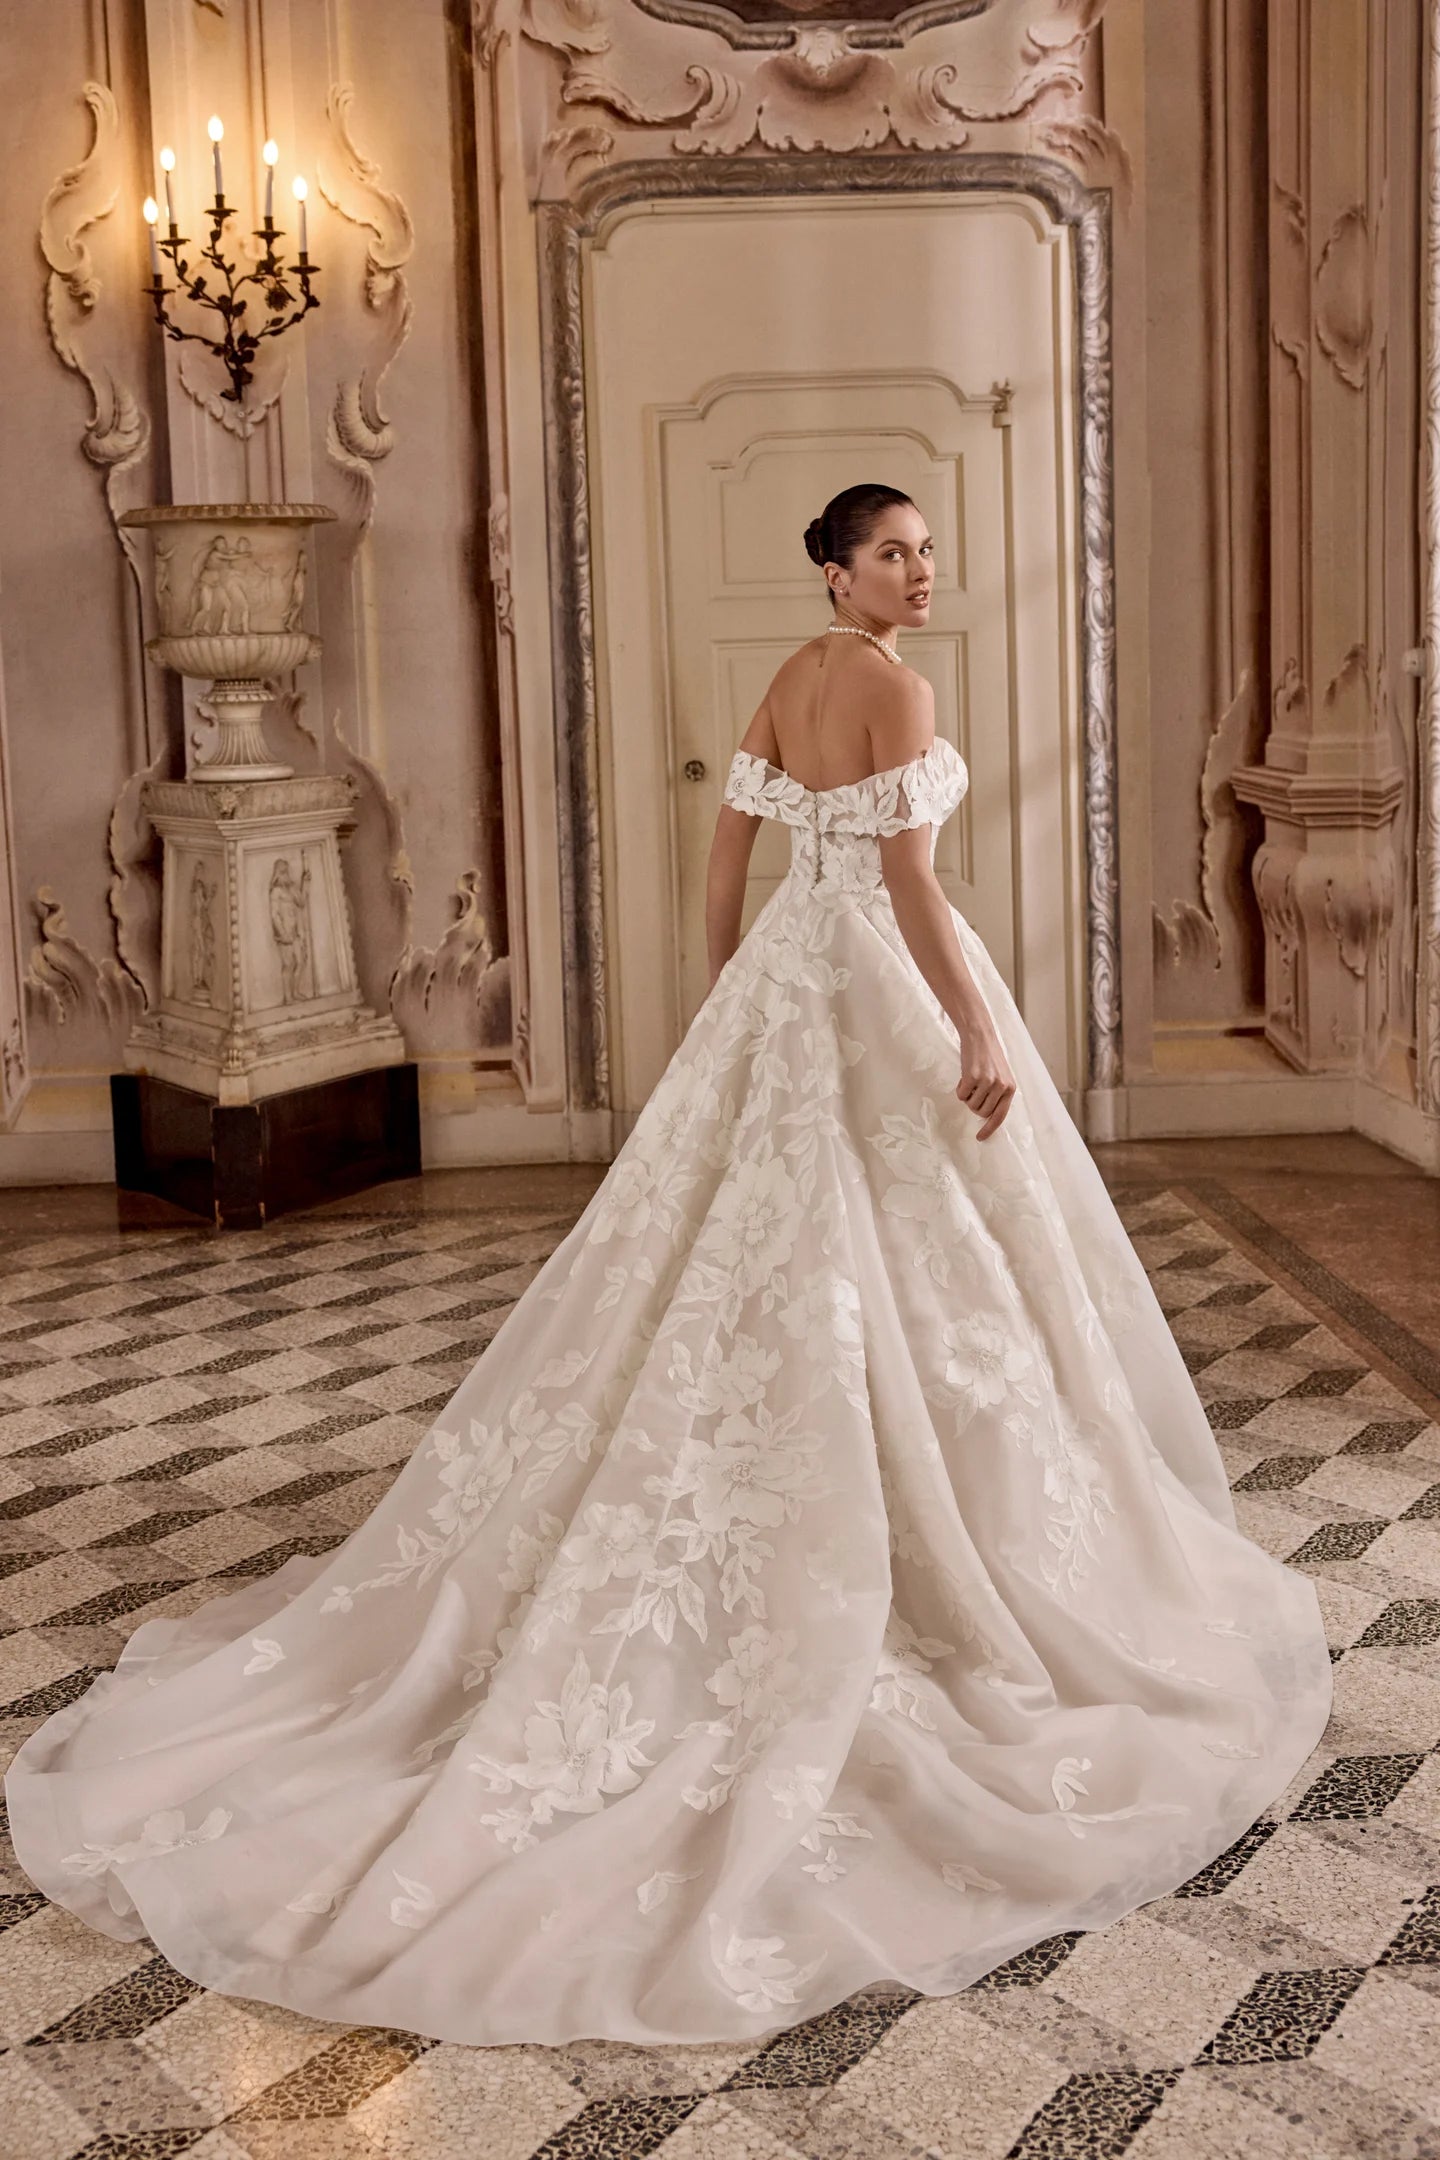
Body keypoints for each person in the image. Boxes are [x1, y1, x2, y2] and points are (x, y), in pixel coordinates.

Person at [4, 482, 1333, 2052]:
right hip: (885, 975)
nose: (920, 572)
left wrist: (735, 987)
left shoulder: (787, 677)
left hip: (792, 971)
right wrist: (975, 1027)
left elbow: (727, 855)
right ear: (836, 569)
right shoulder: (896, 686)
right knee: (912, 1239)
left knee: (775, 1245)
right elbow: (910, 886)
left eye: (923, 550)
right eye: (891, 552)